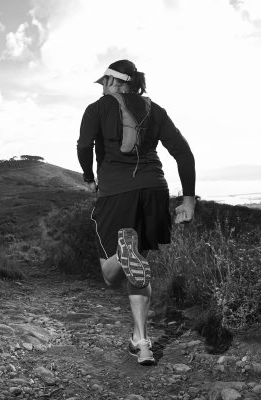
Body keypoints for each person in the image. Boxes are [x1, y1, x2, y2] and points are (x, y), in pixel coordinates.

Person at [77, 60, 196, 365]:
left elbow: (84, 146)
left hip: (116, 193)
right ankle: (141, 342)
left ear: (114, 81)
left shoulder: (97, 108)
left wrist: (89, 177)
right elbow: (183, 152)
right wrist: (188, 201)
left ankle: (122, 253)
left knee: (111, 274)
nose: (102, 88)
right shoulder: (155, 110)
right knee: (138, 265)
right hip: (154, 191)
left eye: (104, 82)